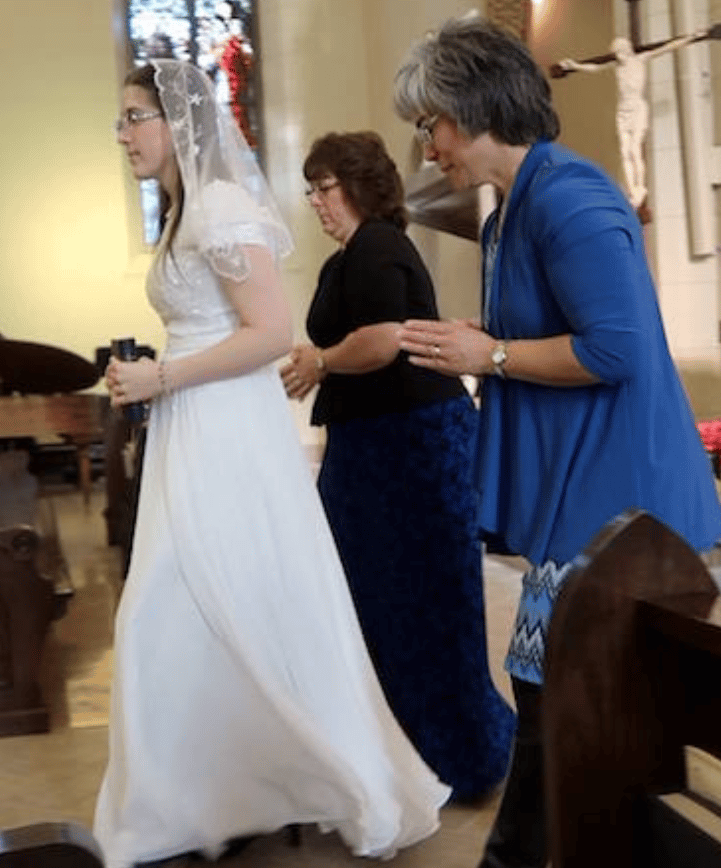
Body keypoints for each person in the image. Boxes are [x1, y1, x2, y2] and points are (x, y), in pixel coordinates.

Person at [393, 17, 721, 868]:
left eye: (429, 124)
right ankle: (534, 852)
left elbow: (614, 349)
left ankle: (523, 856)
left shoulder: (570, 197)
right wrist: (485, 336)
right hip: (584, 497)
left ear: (471, 110)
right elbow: (553, 326)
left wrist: (491, 353)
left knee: (563, 690)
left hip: (621, 499)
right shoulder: (513, 209)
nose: (426, 146)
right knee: (543, 682)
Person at [99, 60, 448, 868]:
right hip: (193, 421)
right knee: (188, 599)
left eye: (132, 117)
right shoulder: (182, 204)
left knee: (180, 599)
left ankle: (227, 790)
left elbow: (266, 331)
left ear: (175, 121)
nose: (121, 135)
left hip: (223, 426)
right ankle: (218, 793)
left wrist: (163, 375)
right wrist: (158, 376)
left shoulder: (218, 205)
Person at [279, 130, 513, 803]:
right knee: (376, 607)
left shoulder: (379, 243)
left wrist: (320, 361)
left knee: (426, 609)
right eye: (312, 190)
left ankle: (463, 760)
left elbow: (385, 340)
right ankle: (405, 758)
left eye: (325, 188)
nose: (317, 202)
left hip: (410, 448)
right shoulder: (346, 259)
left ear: (359, 185)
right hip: (373, 450)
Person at [552, 29, 717, 208]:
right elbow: (594, 68)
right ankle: (632, 191)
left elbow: (668, 47)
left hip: (637, 108)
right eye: (616, 53)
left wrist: (692, 38)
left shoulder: (640, 59)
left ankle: (640, 187)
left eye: (620, 52)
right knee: (624, 151)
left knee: (634, 150)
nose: (618, 56)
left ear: (628, 50)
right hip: (623, 110)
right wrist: (574, 65)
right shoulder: (617, 65)